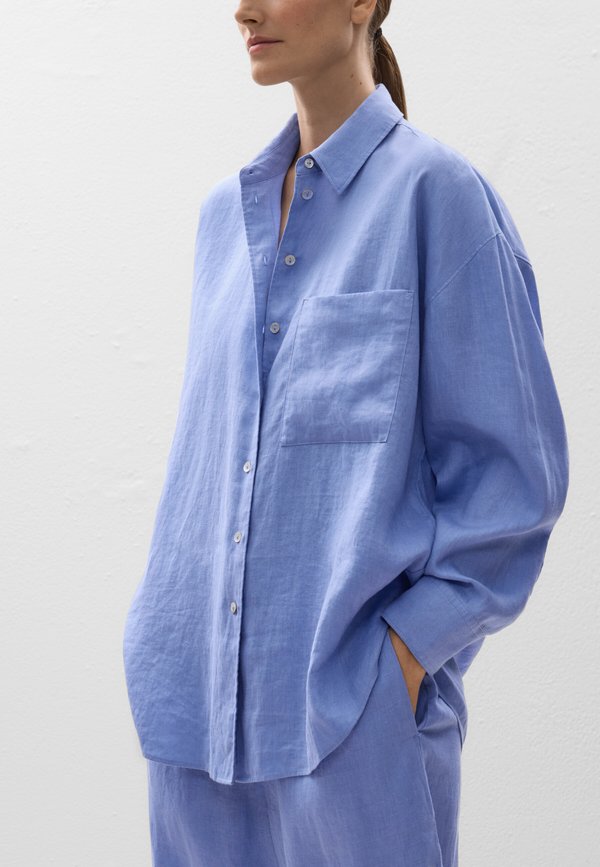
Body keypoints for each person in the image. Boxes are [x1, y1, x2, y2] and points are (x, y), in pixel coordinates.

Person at [122, 1, 570, 864]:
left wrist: (397, 663)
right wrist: (157, 634)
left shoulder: (439, 198)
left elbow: (515, 483)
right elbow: (212, 463)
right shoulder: (225, 218)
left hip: (348, 735)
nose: (244, 9)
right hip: (192, 724)